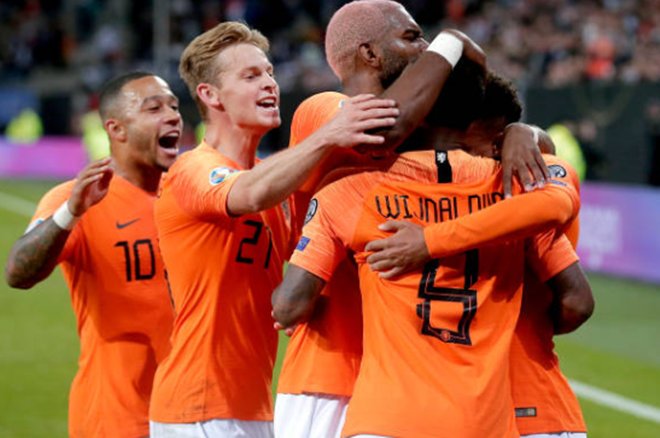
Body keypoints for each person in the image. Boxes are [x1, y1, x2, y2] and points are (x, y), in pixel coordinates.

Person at [274, 2, 549, 437]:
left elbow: (489, 131)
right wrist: (453, 41)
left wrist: (521, 132)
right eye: (412, 37)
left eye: (427, 39)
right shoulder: (326, 109)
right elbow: (386, 128)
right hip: (331, 371)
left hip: (406, 380)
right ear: (369, 53)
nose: (425, 49)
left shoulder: (418, 133)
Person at [147, 21, 399, 438]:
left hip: (253, 405)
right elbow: (248, 194)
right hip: (198, 407)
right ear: (210, 95)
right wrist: (326, 136)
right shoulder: (193, 169)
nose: (269, 84)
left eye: (269, 73)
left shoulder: (275, 181)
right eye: (250, 76)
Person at [363, 76, 594, 438]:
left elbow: (577, 299)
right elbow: (575, 302)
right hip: (504, 404)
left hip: (505, 404)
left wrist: (429, 241)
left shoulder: (519, 189)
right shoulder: (514, 198)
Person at [4, 71, 182, 437]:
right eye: (154, 108)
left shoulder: (188, 196)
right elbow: (18, 273)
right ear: (116, 129)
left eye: (174, 106)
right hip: (115, 420)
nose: (172, 116)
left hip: (194, 414)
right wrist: (69, 213)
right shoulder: (76, 199)